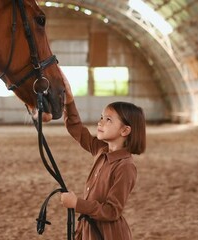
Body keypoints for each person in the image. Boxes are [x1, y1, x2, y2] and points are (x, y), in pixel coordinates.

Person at [59, 72, 146, 240]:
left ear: (125, 130)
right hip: (88, 230)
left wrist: (78, 204)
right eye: (101, 117)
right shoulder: (101, 150)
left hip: (107, 235)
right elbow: (76, 129)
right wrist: (69, 101)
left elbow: (112, 211)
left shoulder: (125, 167)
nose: (100, 122)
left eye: (108, 120)